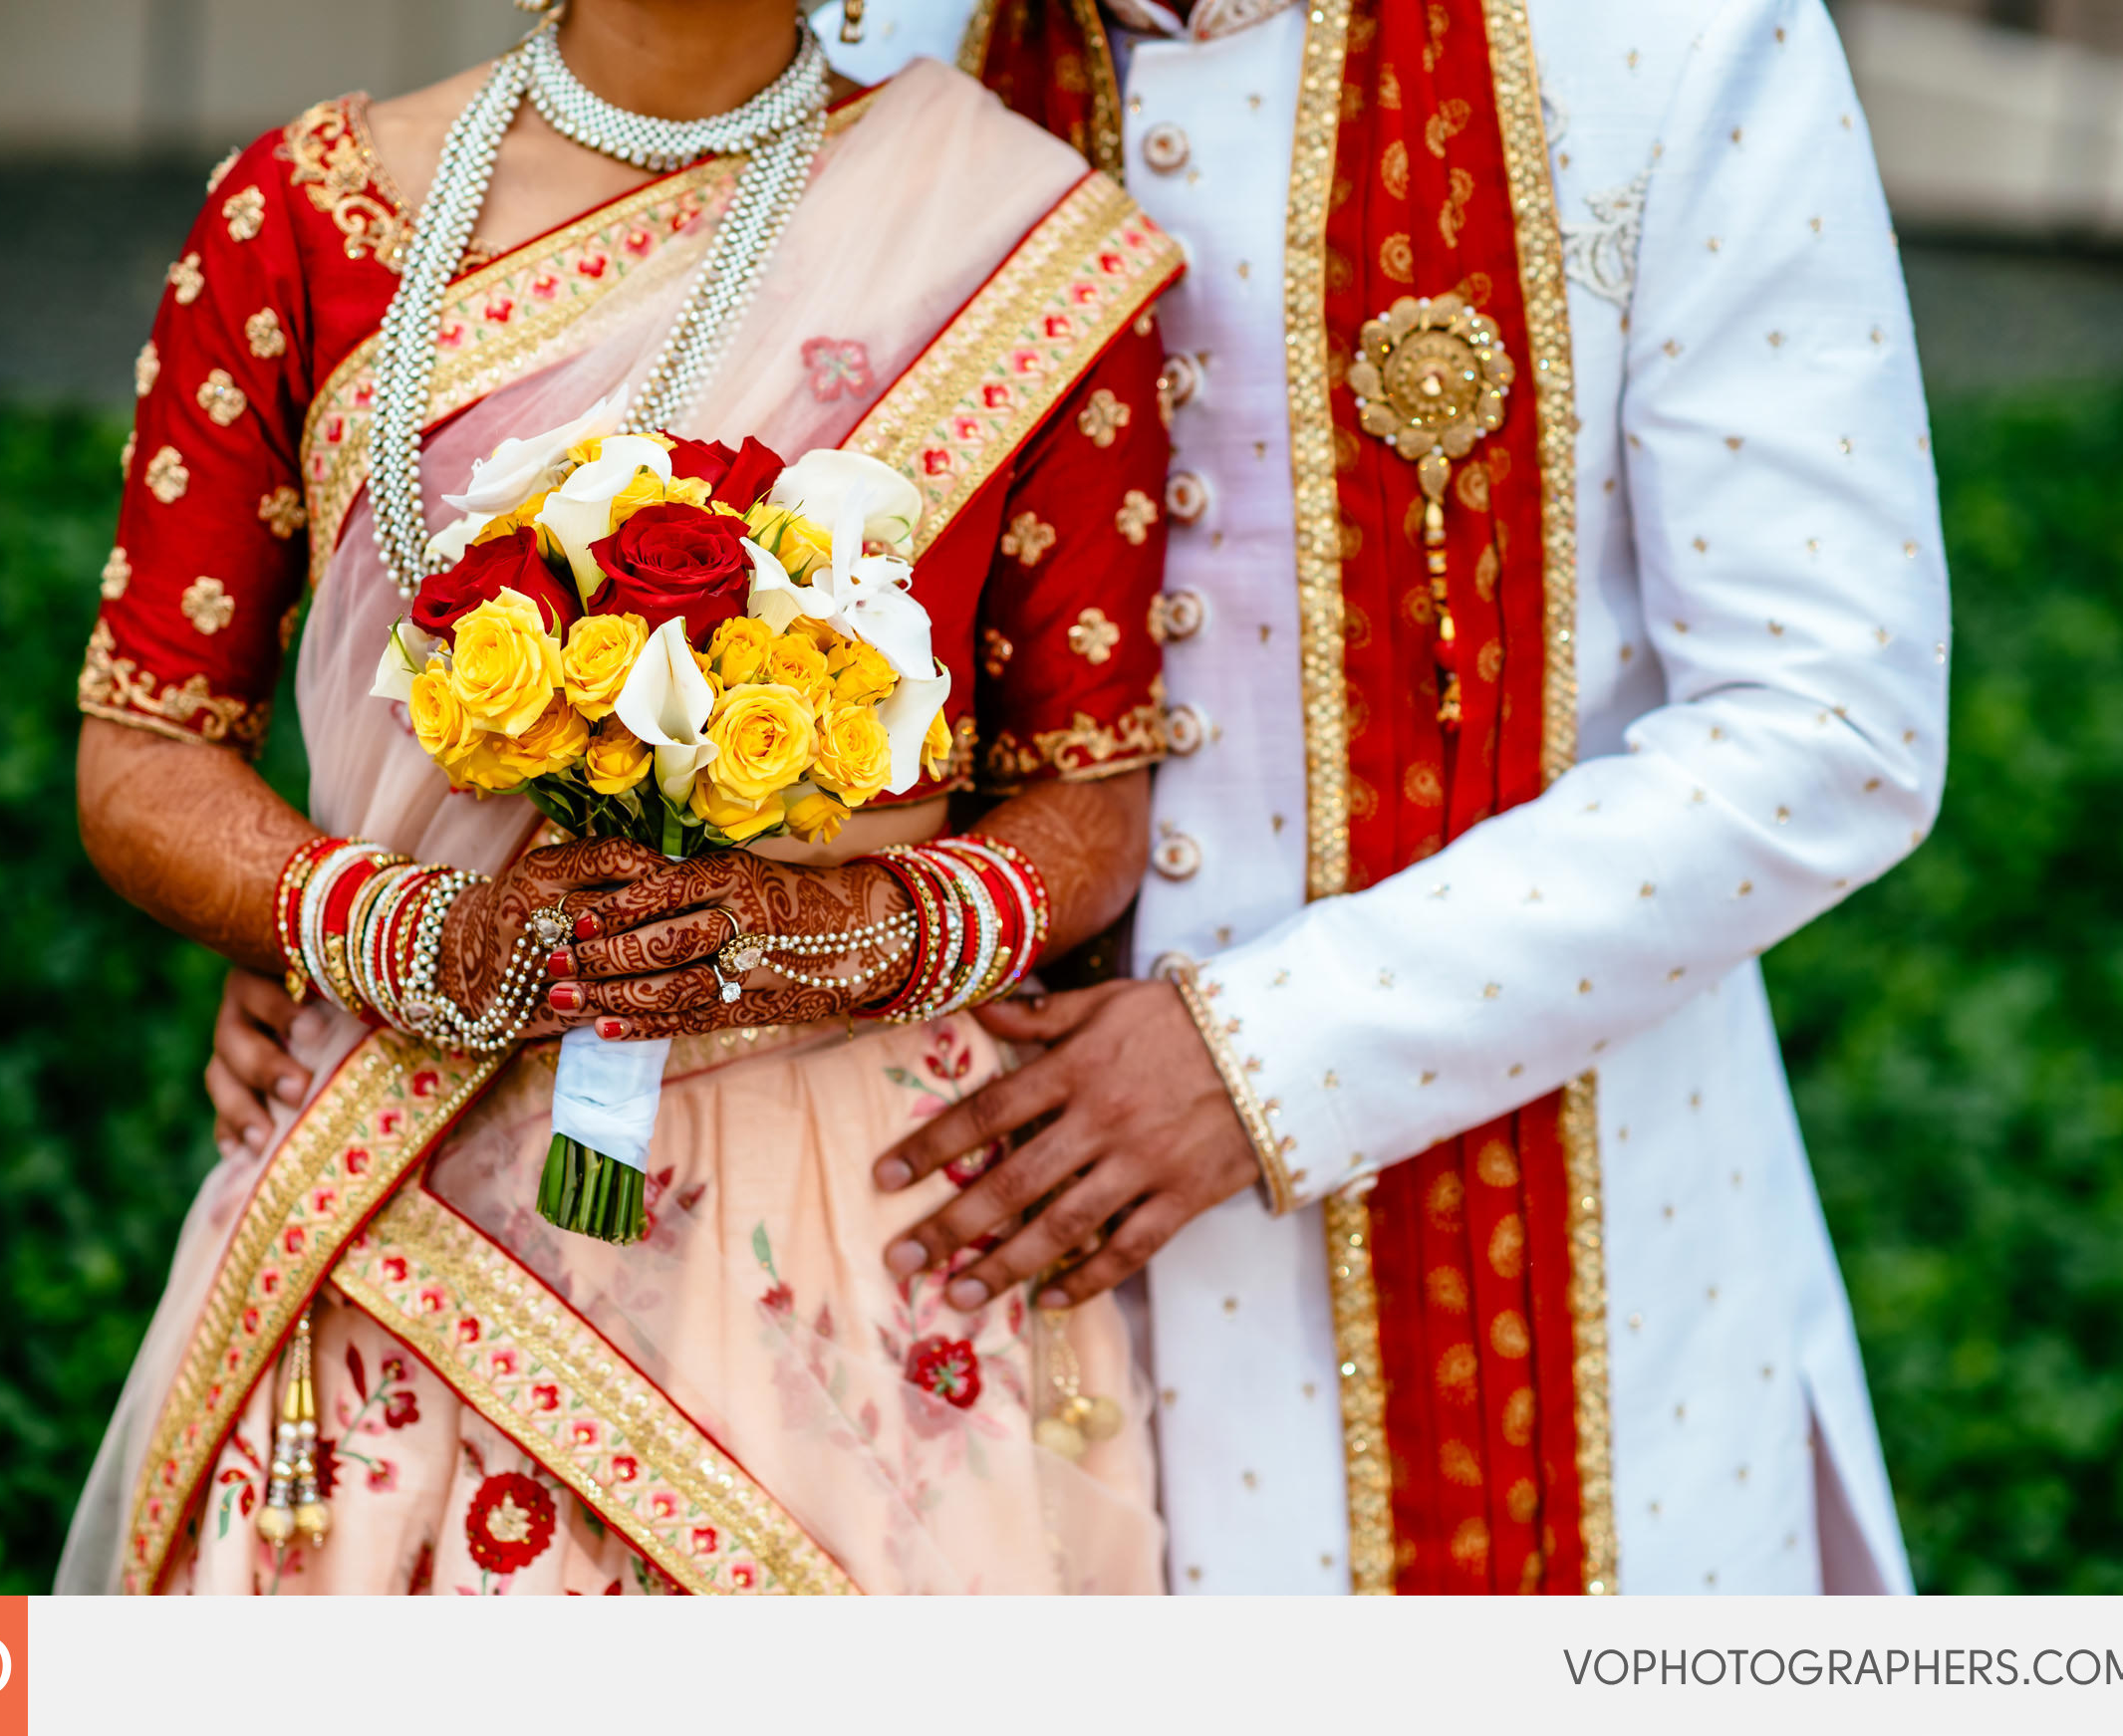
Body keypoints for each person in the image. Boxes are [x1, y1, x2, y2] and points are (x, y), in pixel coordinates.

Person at [206, 0, 1954, 1596]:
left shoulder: (1658, 42)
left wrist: (1256, 1055)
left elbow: (1829, 718)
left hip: (1527, 1221)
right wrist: (376, 909)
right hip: (896, 1278)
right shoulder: (866, 44)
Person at [58, 0, 1185, 1597]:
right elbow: (145, 748)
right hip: (396, 1173)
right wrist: (394, 925)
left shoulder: (1016, 237)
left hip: (850, 1220)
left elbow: (1089, 800)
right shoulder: (305, 215)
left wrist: (833, 934)